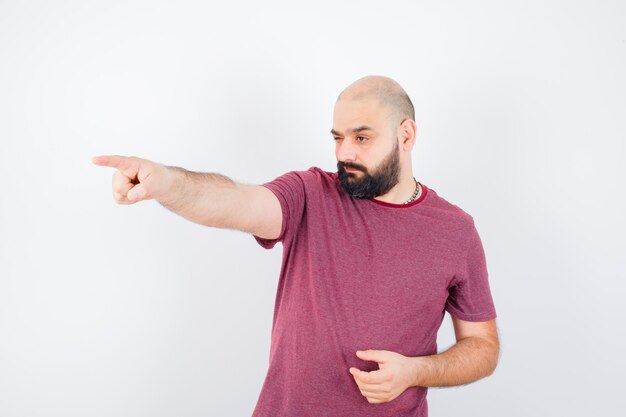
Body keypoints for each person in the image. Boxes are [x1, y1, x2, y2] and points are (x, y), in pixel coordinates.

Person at [92, 75, 499, 417]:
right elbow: (238, 202)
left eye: (361, 137)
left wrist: (415, 372)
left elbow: (482, 346)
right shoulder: (310, 193)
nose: (345, 153)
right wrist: (166, 183)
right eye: (338, 138)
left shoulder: (455, 231)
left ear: (405, 135)